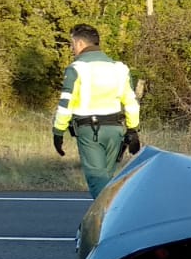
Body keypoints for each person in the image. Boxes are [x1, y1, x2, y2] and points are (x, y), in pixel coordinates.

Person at [52, 24, 141, 198]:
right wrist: (133, 130)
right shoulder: (120, 68)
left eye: (72, 44)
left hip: (89, 132)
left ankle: (109, 221)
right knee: (107, 182)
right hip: (115, 131)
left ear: (79, 44)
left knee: (98, 182)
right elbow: (131, 102)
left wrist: (58, 132)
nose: (71, 49)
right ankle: (110, 219)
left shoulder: (77, 69)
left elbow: (65, 105)